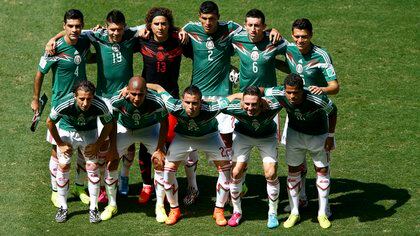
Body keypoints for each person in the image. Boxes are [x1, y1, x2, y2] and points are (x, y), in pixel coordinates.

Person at [46, 10, 141, 210]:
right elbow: (73, 32)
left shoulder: (132, 34)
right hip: (104, 99)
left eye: (119, 29)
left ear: (125, 27)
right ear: (106, 27)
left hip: (126, 97)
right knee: (99, 147)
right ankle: (99, 190)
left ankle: (123, 176)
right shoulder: (96, 35)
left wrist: (178, 30)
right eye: (112, 29)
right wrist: (52, 39)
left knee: (130, 138)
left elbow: (151, 26)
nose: (115, 33)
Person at [129, 7, 197, 206]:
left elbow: (199, 53)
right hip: (146, 99)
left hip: (172, 99)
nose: (160, 27)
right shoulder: (142, 39)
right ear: (150, 25)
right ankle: (147, 186)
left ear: (170, 25)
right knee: (145, 142)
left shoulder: (179, 40)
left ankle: (178, 184)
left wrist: (181, 31)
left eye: (164, 23)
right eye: (156, 23)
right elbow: (118, 37)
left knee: (171, 141)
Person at [147, 83, 234, 226]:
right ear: (182, 101)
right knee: (167, 172)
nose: (191, 107)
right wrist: (129, 86)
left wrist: (244, 96)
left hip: (209, 136)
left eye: (195, 103)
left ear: (201, 103)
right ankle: (174, 209)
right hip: (184, 137)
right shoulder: (174, 106)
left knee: (226, 170)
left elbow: (232, 98)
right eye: (187, 102)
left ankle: (219, 209)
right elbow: (158, 88)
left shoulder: (212, 108)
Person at [279, 18, 340, 213]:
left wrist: (320, 88)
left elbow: (335, 87)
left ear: (311, 35)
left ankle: (325, 206)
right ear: (292, 35)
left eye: (304, 37)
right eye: (296, 36)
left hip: (316, 113)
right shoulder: (289, 49)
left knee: (320, 164)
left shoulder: (322, 55)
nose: (300, 40)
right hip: (295, 113)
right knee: (297, 162)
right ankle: (301, 198)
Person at [32, 9, 91, 208]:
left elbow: (93, 34)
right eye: (70, 26)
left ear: (82, 26)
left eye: (78, 26)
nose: (74, 30)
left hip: (83, 105)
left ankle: (80, 187)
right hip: (60, 106)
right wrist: (35, 99)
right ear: (64, 26)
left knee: (83, 149)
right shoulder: (54, 48)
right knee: (57, 151)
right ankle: (56, 190)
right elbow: (40, 74)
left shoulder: (84, 41)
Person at [265, 73, 337, 229]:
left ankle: (322, 213)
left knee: (322, 170)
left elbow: (332, 111)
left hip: (318, 136)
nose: (292, 96)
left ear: (302, 90)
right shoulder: (277, 92)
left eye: (296, 92)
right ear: (284, 90)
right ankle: (295, 212)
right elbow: (259, 91)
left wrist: (330, 136)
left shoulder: (316, 97)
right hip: (295, 135)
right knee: (293, 171)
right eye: (289, 92)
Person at [46, 80, 114, 223]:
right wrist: (60, 143)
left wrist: (97, 144)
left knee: (93, 168)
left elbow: (109, 124)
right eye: (81, 99)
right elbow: (49, 122)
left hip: (89, 133)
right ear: (74, 96)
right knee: (63, 165)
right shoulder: (63, 103)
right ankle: (63, 207)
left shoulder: (100, 105)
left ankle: (94, 208)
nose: (85, 103)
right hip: (67, 132)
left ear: (93, 97)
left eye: (89, 99)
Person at [221, 86, 282, 228]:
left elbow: (287, 93)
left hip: (267, 138)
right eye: (247, 104)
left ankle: (272, 213)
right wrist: (236, 95)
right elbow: (219, 103)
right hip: (243, 137)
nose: (250, 108)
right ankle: (237, 212)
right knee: (235, 172)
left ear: (261, 102)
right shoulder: (235, 107)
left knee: (271, 173)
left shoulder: (273, 105)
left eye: (254, 104)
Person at [110, 76, 168, 223]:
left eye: (140, 94)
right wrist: (112, 149)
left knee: (161, 161)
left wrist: (160, 149)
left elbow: (164, 123)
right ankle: (111, 204)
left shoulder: (156, 101)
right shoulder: (116, 100)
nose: (136, 98)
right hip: (126, 128)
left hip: (149, 129)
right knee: (111, 160)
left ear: (146, 92)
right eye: (133, 94)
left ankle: (160, 206)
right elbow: (113, 123)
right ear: (127, 91)